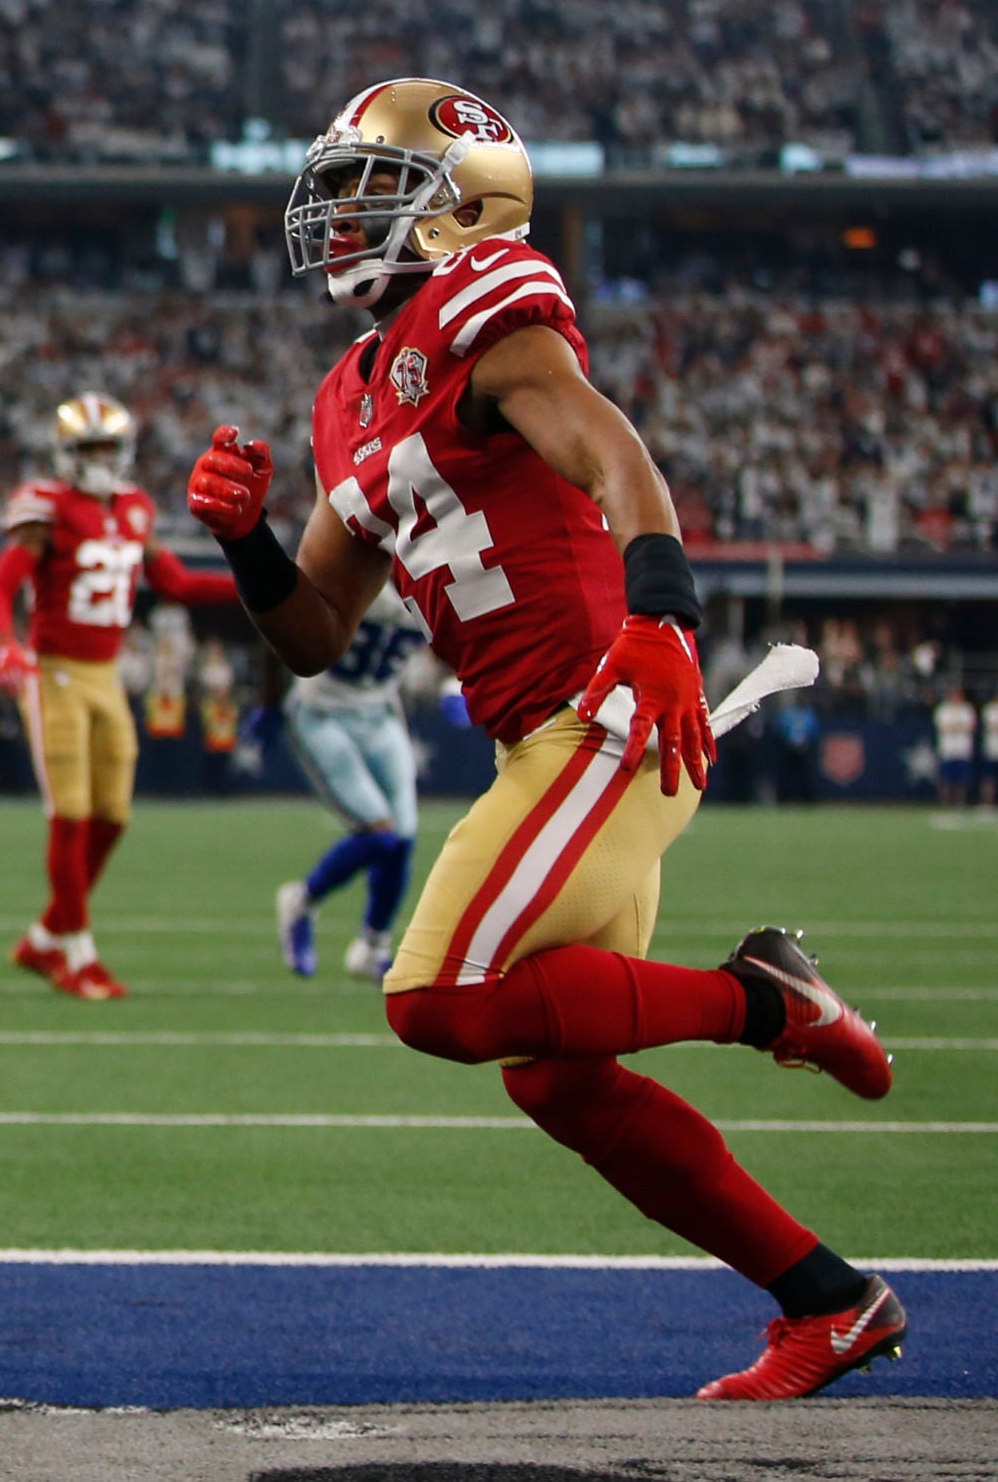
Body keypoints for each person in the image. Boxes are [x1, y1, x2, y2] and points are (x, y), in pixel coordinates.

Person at [186, 75, 901, 1401]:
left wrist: (663, 615)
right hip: (543, 742)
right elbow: (316, 632)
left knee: (434, 1000)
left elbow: (611, 453)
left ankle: (766, 999)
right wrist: (246, 543)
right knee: (561, 1084)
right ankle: (831, 1300)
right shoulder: (346, 396)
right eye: (338, 190)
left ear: (464, 208)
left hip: (608, 708)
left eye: (371, 188)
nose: (339, 216)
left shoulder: (486, 308)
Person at [0, 393, 238, 1000]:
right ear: (66, 453)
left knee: (113, 817)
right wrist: (5, 646)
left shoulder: (136, 507)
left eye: (106, 448)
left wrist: (255, 584)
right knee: (69, 816)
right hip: (55, 674)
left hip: (107, 675)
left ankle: (44, 938)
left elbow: (175, 583)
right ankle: (78, 954)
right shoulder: (48, 507)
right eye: (87, 449)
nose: (98, 460)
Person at [272, 585, 428, 980]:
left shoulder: (435, 582)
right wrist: (267, 701)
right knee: (379, 834)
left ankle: (372, 948)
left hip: (379, 711)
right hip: (322, 711)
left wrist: (455, 685)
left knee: (402, 840)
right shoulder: (362, 571)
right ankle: (301, 901)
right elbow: (278, 616)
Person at [933, 686, 978, 807]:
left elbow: (970, 727)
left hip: (962, 748)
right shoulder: (944, 709)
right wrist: (958, 727)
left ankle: (960, 802)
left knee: (962, 778)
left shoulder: (967, 709)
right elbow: (943, 727)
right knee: (946, 777)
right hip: (948, 748)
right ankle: (944, 802)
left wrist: (955, 727)